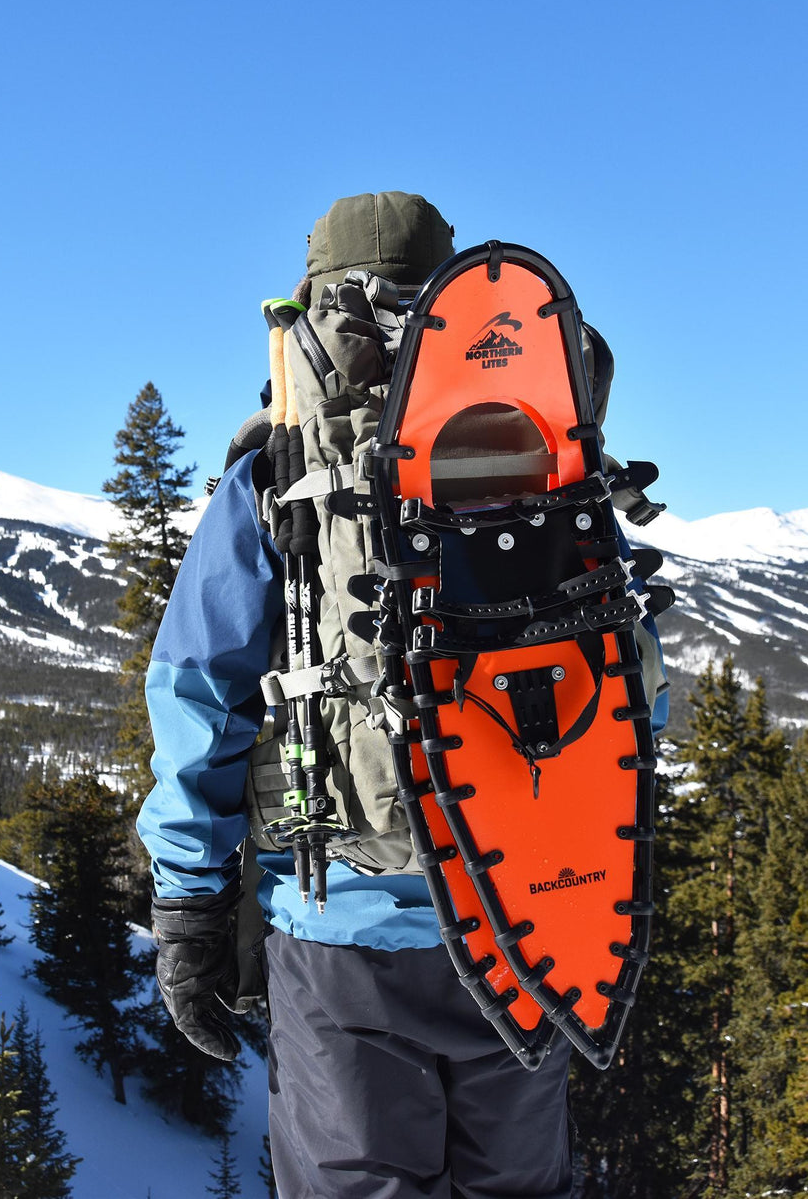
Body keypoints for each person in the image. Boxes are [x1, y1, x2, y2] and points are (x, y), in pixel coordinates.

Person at [136, 192, 580, 1198]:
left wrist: (188, 907)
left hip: (339, 930)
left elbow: (199, 694)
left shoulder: (275, 472)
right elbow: (627, 685)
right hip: (520, 921)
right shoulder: (541, 459)